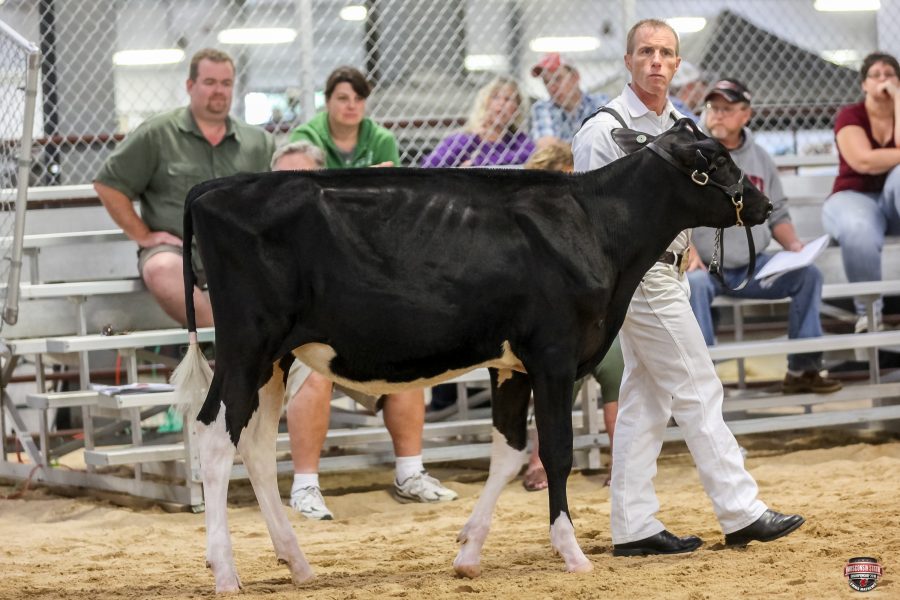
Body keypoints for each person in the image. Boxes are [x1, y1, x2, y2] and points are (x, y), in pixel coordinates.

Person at [572, 18, 803, 557]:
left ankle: (633, 526)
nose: (656, 61)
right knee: (699, 386)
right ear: (628, 61)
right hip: (639, 275)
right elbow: (588, 216)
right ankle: (741, 512)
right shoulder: (602, 131)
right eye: (645, 52)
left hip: (671, 268)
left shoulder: (682, 125)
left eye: (665, 53)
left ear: (677, 64)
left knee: (645, 400)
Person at [271, 142, 458, 520]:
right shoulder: (268, 228)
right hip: (295, 342)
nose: (294, 187)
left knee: (406, 361)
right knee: (314, 371)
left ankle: (410, 473)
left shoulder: (341, 217)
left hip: (349, 334)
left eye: (304, 178)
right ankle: (305, 486)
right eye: (284, 179)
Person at [93, 48, 274, 327]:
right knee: (161, 269)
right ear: (190, 86)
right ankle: (220, 341)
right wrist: (143, 235)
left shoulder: (258, 143)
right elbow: (108, 185)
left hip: (237, 251)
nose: (219, 90)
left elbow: (272, 199)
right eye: (210, 82)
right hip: (178, 251)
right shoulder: (157, 134)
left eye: (226, 83)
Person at [687, 79, 842, 394]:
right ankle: (701, 385)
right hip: (704, 267)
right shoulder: (692, 154)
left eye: (727, 108)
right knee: (694, 284)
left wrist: (795, 246)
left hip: (753, 266)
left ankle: (803, 370)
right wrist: (688, 251)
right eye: (713, 107)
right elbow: (672, 211)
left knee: (808, 275)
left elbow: (778, 214)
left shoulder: (761, 159)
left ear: (746, 114)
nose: (718, 114)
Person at [516, 143, 624, 492]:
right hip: (551, 326)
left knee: (617, 367)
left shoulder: (593, 216)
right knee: (555, 368)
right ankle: (540, 461)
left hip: (595, 320)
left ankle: (620, 462)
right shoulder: (526, 222)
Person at [822, 52, 900, 333]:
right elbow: (863, 161)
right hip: (854, 196)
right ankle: (869, 314)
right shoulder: (850, 115)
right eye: (875, 75)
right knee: (858, 228)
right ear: (864, 84)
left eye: (889, 74)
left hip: (894, 203)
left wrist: (898, 99)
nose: (883, 80)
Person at [289, 66, 399, 169]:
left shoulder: (382, 140)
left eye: (359, 98)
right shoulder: (306, 138)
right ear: (327, 101)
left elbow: (395, 182)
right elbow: (299, 181)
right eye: (343, 98)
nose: (352, 106)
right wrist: (365, 178)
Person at [421, 76, 535, 167]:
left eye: (508, 99)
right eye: (495, 97)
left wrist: (477, 164)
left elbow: (531, 156)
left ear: (517, 109)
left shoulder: (517, 139)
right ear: (484, 103)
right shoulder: (463, 138)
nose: (501, 104)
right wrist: (473, 138)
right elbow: (429, 165)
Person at [529, 53, 610, 149]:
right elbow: (547, 147)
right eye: (546, 82)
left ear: (575, 77)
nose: (552, 88)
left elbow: (609, 141)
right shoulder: (542, 108)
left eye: (558, 79)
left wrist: (562, 147)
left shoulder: (600, 102)